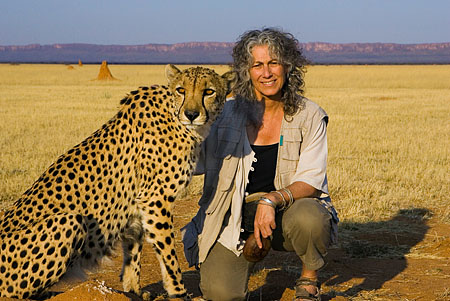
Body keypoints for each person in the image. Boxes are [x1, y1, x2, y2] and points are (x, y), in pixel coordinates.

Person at [181, 28, 339, 301]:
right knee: (220, 294)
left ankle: (309, 278)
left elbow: (312, 180)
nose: (267, 73)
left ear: (288, 67)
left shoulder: (310, 115)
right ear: (246, 72)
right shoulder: (223, 113)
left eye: (273, 63)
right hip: (232, 217)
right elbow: (194, 162)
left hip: (285, 211)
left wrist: (271, 201)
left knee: (310, 218)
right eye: (257, 65)